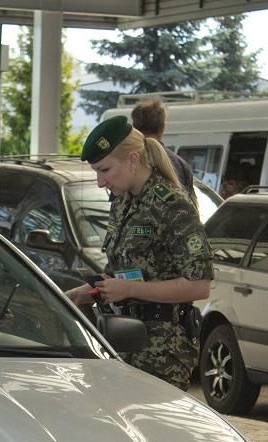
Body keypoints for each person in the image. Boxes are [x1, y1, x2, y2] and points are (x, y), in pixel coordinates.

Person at [67, 115, 212, 390]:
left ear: (133, 160)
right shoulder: (122, 202)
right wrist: (82, 293)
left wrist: (130, 290)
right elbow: (122, 273)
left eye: (105, 170)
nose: (100, 181)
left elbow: (200, 286)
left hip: (162, 352)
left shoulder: (172, 206)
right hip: (119, 342)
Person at [130, 99, 196, 201]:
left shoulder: (125, 161)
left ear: (134, 127)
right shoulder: (181, 166)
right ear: (162, 127)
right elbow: (191, 207)